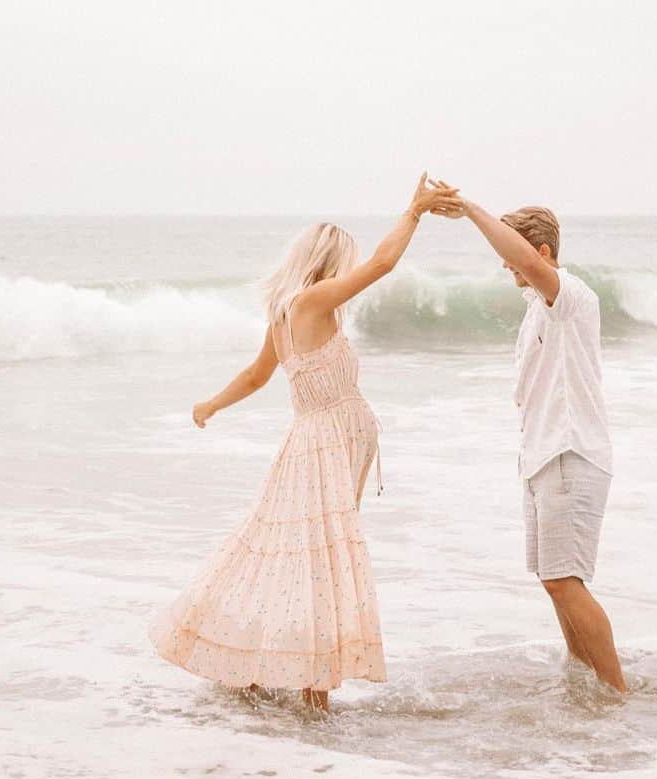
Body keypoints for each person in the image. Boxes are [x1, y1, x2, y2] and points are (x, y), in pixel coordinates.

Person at [148, 173, 461, 712]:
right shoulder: (314, 300)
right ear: (329, 263)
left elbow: (254, 376)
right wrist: (413, 212)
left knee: (286, 553)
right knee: (320, 560)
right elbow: (384, 265)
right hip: (330, 441)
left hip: (311, 441)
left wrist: (210, 405)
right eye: (345, 261)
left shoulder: (283, 313)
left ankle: (256, 666)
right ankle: (311, 691)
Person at [438, 197, 626, 693]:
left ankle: (616, 692)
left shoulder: (572, 297)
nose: (506, 265)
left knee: (565, 581)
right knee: (555, 583)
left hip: (571, 454)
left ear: (542, 252)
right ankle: (585, 684)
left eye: (516, 254)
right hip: (543, 460)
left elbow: (521, 260)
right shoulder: (537, 311)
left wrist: (471, 213)